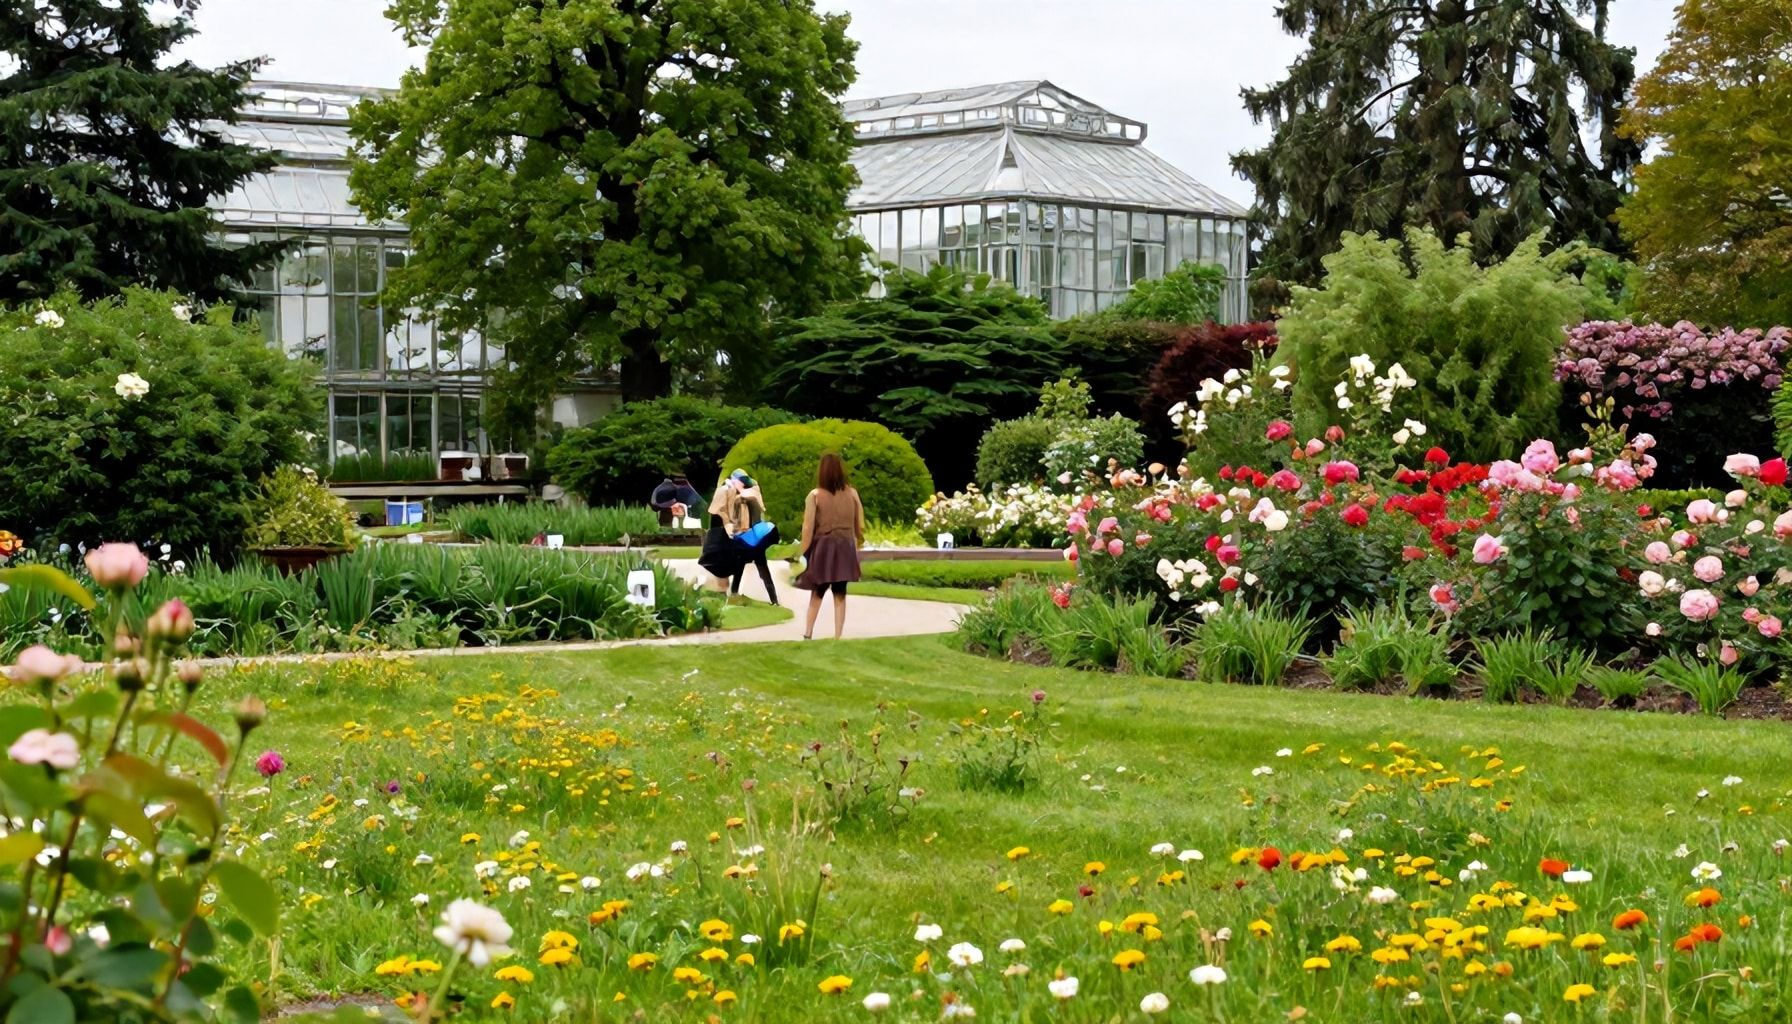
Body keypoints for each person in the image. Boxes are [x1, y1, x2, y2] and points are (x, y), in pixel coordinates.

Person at [796, 452, 865, 640]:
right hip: (845, 546)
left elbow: (808, 526)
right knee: (840, 592)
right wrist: (858, 540)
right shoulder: (852, 493)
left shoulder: (815, 495)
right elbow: (860, 524)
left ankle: (808, 632)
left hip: (824, 547)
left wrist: (802, 552)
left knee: (817, 590)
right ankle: (838, 636)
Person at [724, 471, 779, 606]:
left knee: (743, 567)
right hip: (755, 537)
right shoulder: (750, 493)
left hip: (751, 537)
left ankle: (734, 594)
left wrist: (733, 490)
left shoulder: (746, 496)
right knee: (758, 569)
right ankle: (774, 600)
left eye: (734, 480)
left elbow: (741, 520)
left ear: (740, 482)